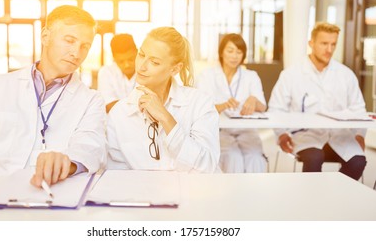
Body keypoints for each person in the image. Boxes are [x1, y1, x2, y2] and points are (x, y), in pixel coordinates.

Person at [0, 5, 106, 187]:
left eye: (85, 46)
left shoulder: (91, 100)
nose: (76, 53)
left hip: (52, 198)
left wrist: (67, 163)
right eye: (69, 41)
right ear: (45, 36)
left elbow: (91, 148)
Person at [106, 26, 220, 172]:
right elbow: (117, 175)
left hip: (189, 193)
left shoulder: (200, 103)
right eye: (141, 55)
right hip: (140, 194)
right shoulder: (119, 113)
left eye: (154, 62)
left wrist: (166, 118)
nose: (141, 66)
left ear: (175, 69)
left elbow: (207, 165)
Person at [268, 22, 367, 180]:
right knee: (314, 158)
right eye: (324, 43)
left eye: (333, 44)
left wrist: (360, 134)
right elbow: (275, 109)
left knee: (358, 161)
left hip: (339, 135)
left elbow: (359, 109)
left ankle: (334, 197)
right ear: (311, 43)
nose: (329, 49)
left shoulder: (346, 75)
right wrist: (281, 134)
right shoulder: (291, 74)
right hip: (305, 136)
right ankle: (312, 200)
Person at [196, 33, 267, 173]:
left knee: (255, 157)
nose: (234, 56)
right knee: (233, 157)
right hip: (220, 131)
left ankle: (256, 193)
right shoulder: (207, 76)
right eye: (230, 51)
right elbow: (200, 108)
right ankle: (234, 194)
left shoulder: (251, 76)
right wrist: (222, 106)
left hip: (247, 130)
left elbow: (263, 107)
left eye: (239, 52)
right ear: (221, 52)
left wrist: (253, 99)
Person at [97, 33, 137, 113]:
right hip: (114, 124)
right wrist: (138, 106)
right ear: (114, 58)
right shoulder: (106, 72)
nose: (127, 65)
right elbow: (108, 105)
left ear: (136, 52)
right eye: (121, 61)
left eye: (131, 59)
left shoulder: (148, 70)